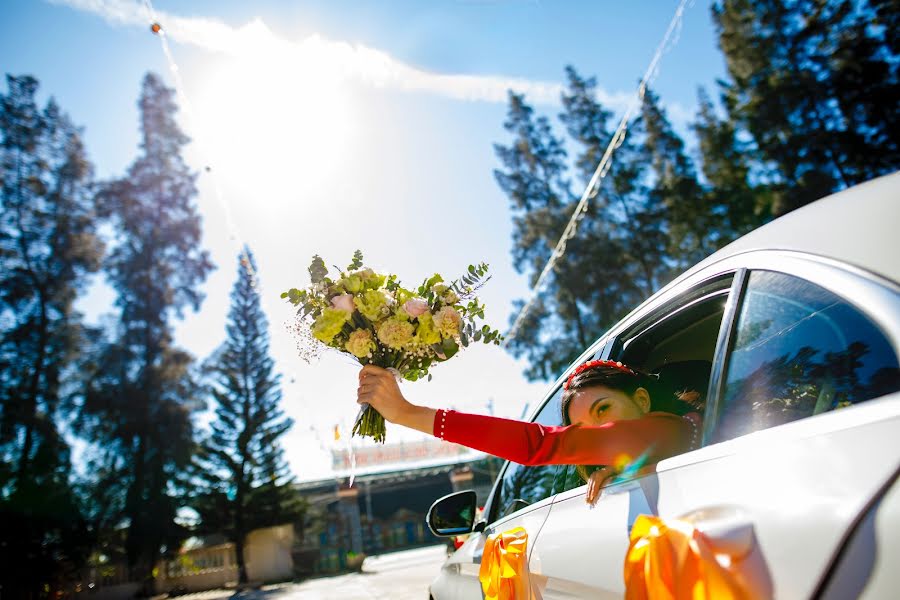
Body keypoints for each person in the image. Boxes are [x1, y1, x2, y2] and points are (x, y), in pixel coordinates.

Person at [357, 359, 704, 505]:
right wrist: (627, 467)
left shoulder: (674, 426)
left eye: (604, 410)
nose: (597, 434)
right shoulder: (665, 438)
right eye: (581, 431)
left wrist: (406, 413)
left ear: (642, 400)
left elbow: (538, 444)